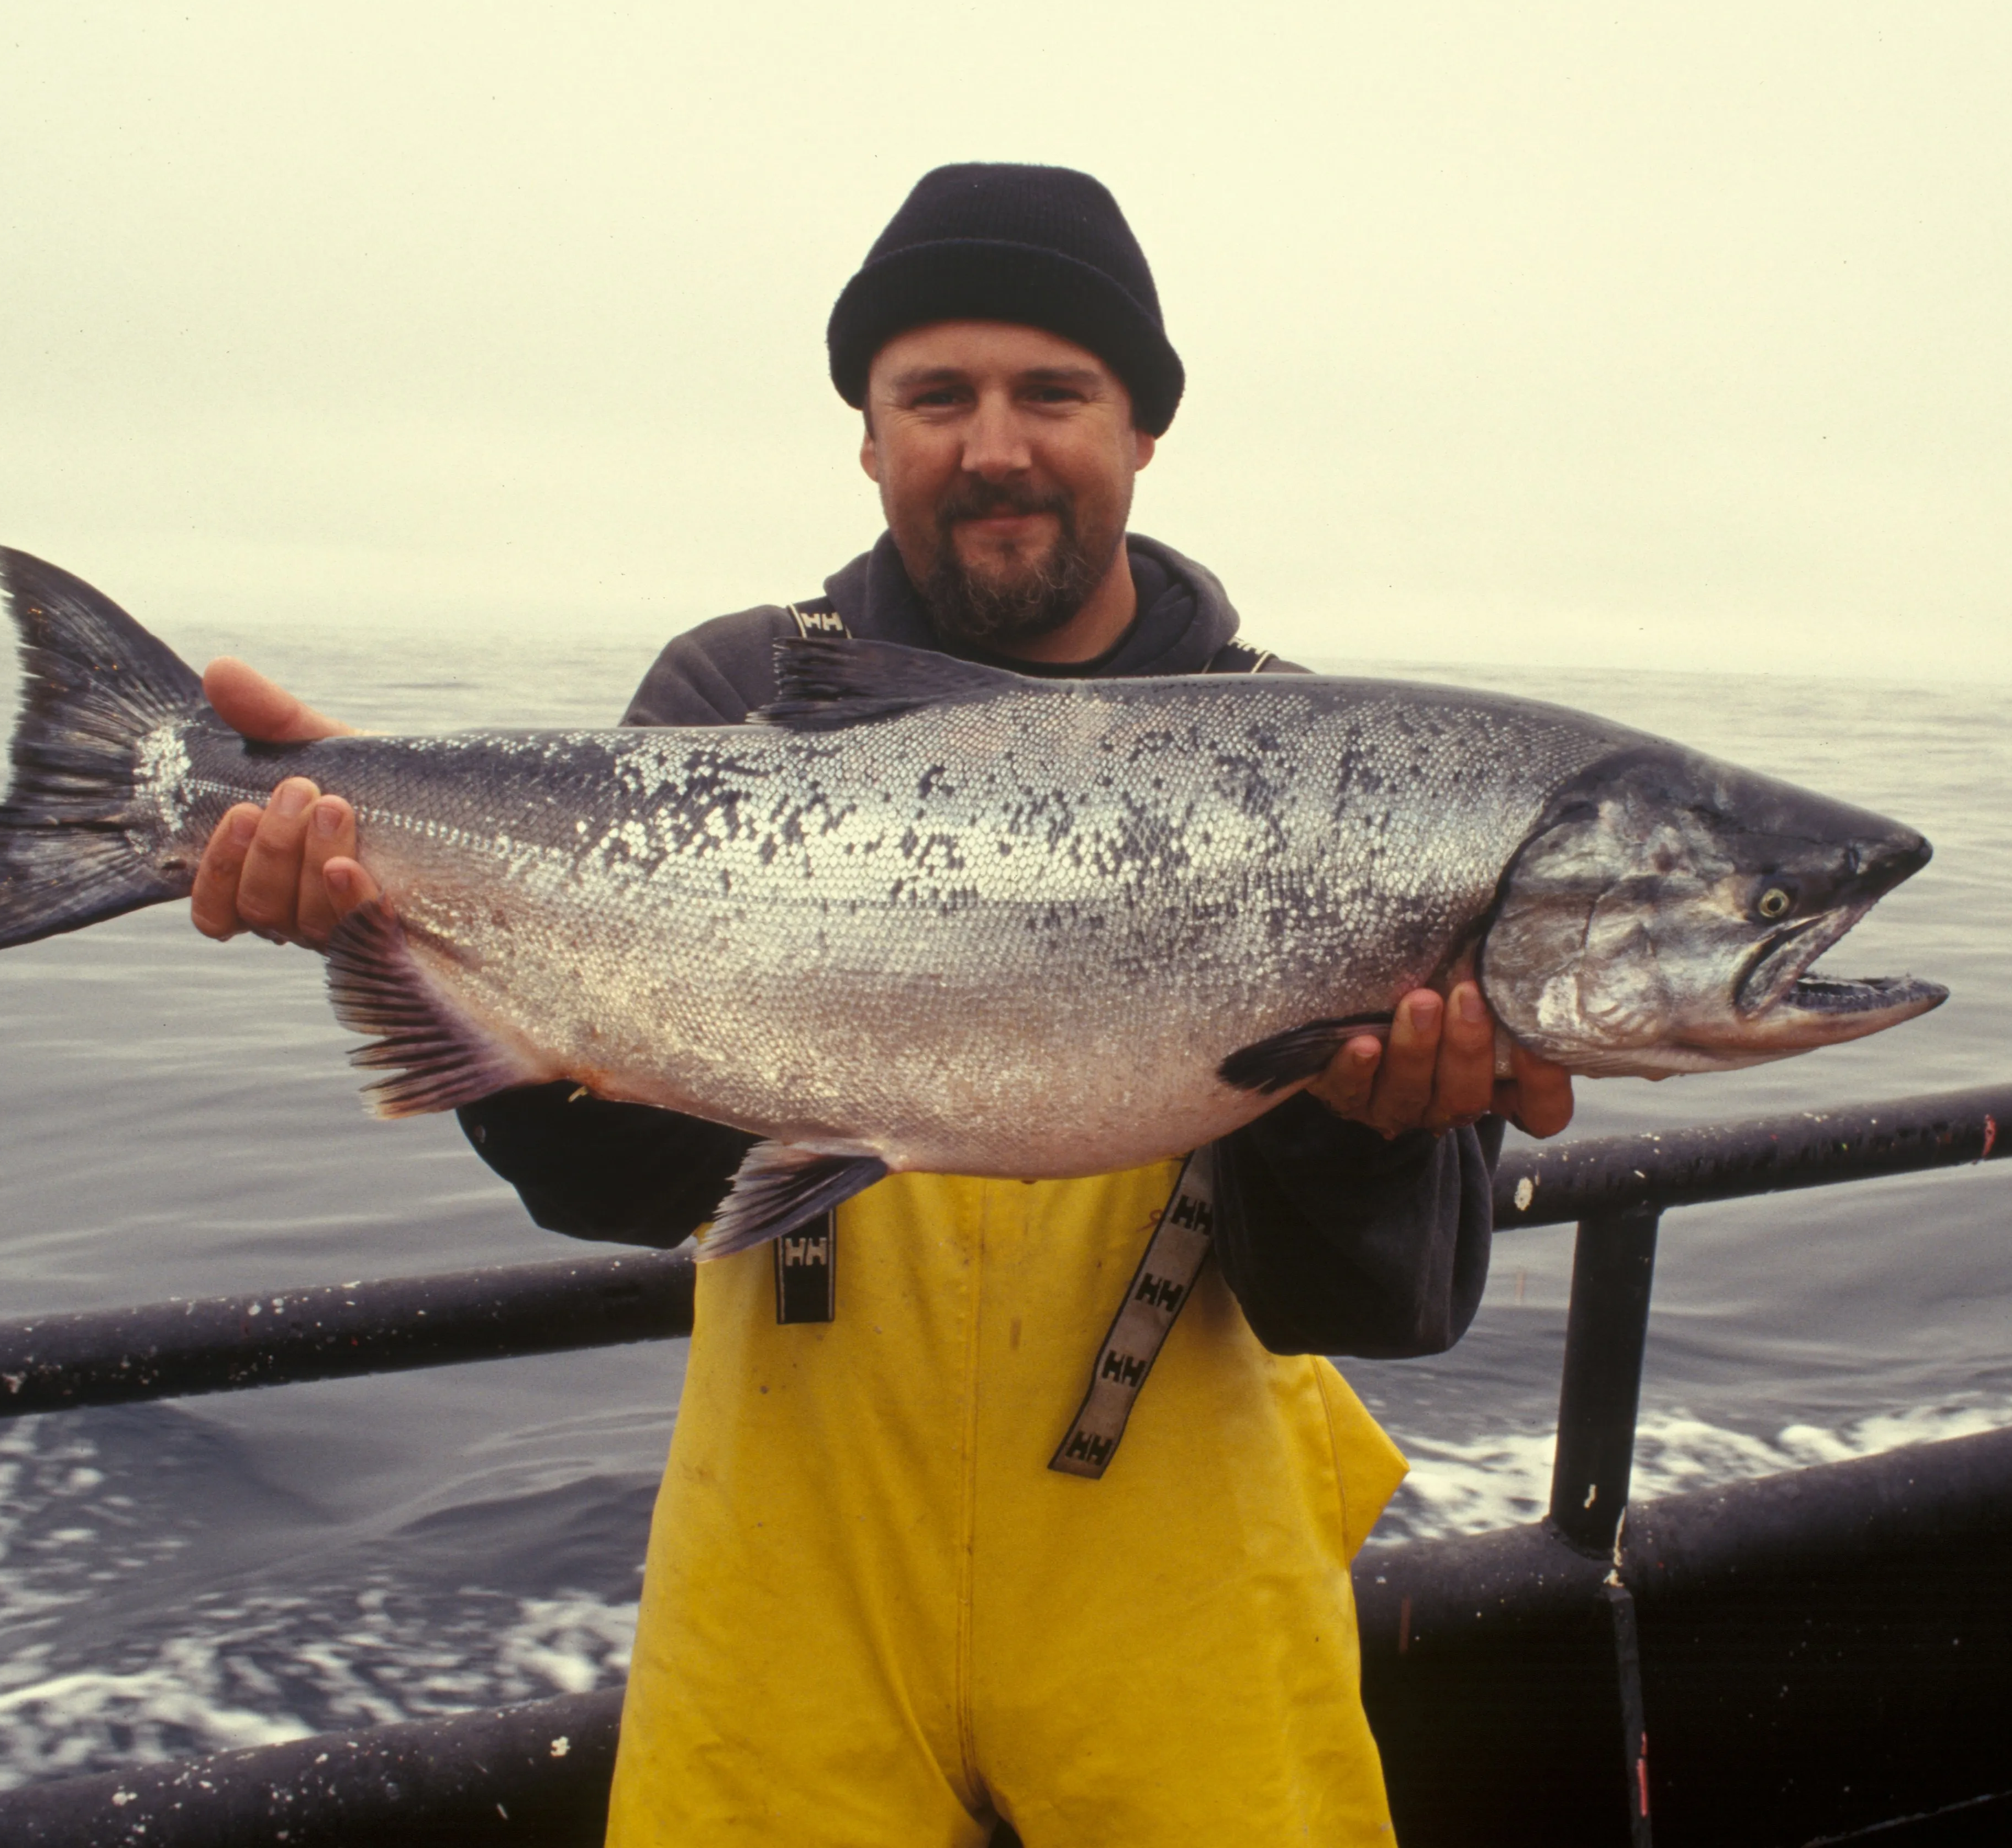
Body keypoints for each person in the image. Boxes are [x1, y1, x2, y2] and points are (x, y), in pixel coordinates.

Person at [185, 163, 1575, 1847]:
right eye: (938, 395)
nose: (995, 442)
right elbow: (613, 1185)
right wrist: (383, 904)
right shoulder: (734, 702)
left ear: (1143, 433)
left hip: (1182, 1589)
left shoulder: (1335, 773)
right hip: (798, 1578)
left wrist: (1366, 1128)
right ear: (868, 435)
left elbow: (1391, 1304)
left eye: (1054, 390)